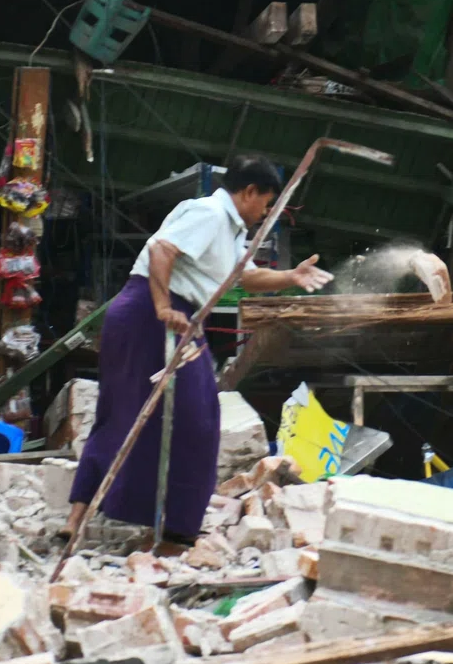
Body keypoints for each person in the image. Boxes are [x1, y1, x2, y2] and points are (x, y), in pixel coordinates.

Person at [67, 157, 331, 548]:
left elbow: (244, 275)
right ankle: (172, 530)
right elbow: (161, 251)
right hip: (153, 315)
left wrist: (290, 277)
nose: (266, 213)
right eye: (266, 203)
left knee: (147, 410)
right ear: (249, 192)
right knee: (189, 415)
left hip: (171, 317)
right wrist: (160, 306)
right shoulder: (209, 213)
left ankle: (112, 520)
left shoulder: (230, 229)